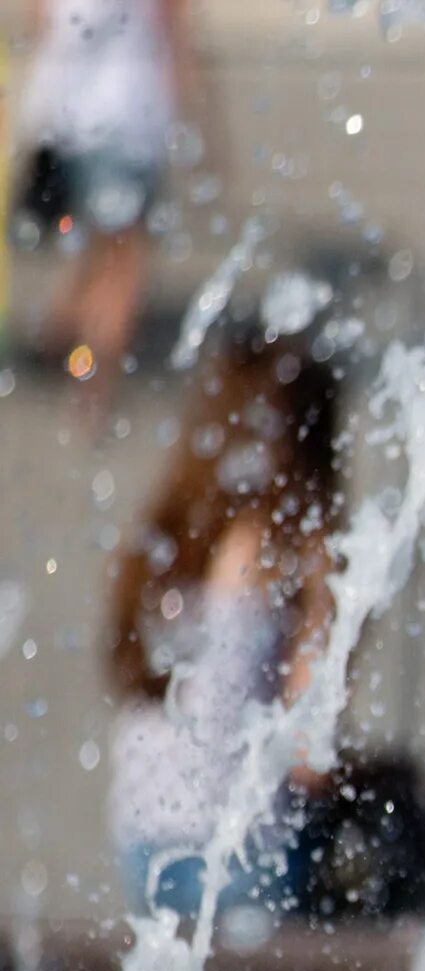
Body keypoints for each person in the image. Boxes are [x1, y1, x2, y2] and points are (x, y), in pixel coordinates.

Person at [104, 324, 338, 920]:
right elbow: (310, 753)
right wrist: (325, 606)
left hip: (143, 837)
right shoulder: (277, 543)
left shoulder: (167, 536)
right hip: (238, 847)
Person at [9, 0, 207, 421]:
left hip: (63, 120)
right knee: (124, 262)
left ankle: (57, 341)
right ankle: (93, 384)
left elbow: (41, 24)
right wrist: (199, 122)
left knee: (95, 247)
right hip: (130, 121)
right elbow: (174, 31)